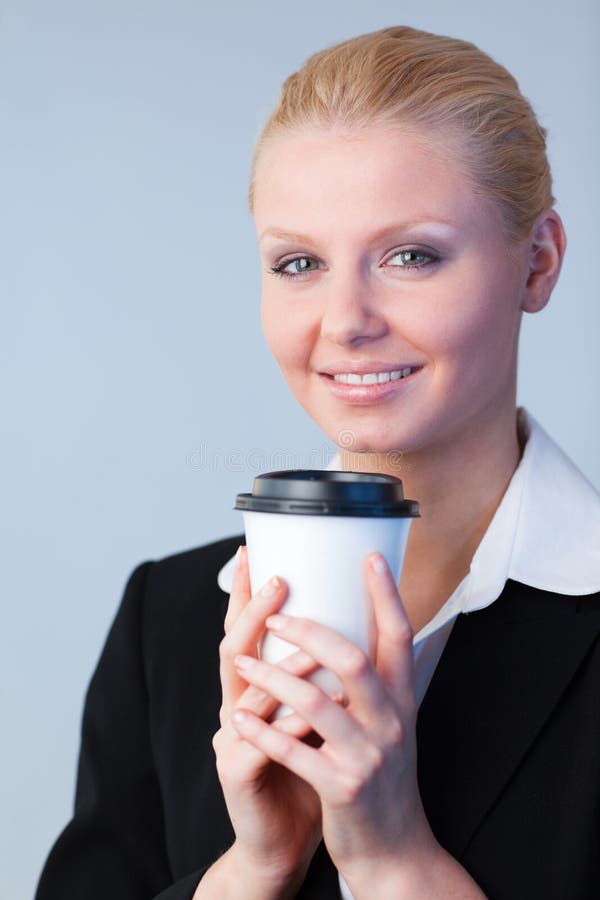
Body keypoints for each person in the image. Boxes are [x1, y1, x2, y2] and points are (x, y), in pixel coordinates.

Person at [35, 25, 600, 900]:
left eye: (411, 256)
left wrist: (393, 861)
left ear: (540, 261)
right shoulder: (169, 623)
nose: (344, 320)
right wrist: (254, 867)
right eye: (298, 262)